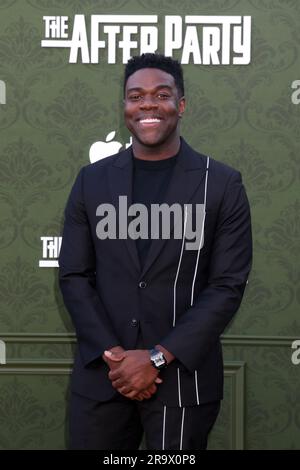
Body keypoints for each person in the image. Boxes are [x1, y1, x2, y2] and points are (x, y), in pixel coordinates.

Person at [58, 53, 252, 450]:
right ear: (125, 107)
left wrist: (158, 358)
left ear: (180, 105)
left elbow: (227, 285)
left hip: (182, 383)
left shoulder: (222, 184)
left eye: (161, 94)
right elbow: (75, 275)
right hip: (102, 381)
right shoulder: (91, 180)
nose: (148, 104)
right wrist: (116, 357)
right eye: (135, 96)